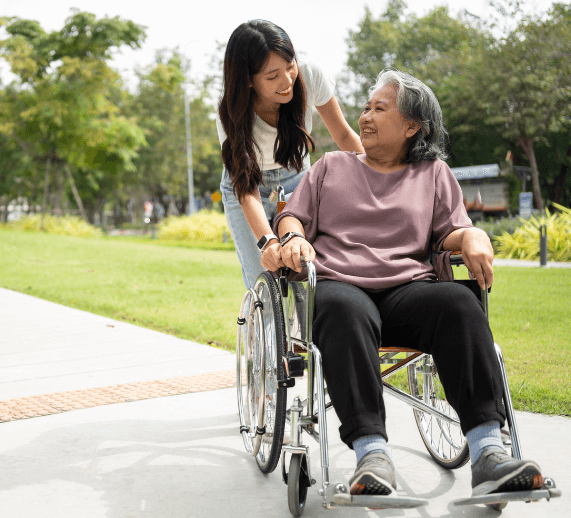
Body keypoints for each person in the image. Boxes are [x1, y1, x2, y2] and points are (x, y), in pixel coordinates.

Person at [272, 70, 545, 498]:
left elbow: (450, 230)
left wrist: (472, 234)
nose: (364, 116)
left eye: (379, 109)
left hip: (407, 293)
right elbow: (293, 215)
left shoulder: (433, 173)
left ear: (412, 125)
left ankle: (489, 453)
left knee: (458, 302)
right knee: (345, 309)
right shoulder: (331, 166)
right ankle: (372, 455)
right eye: (365, 107)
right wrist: (291, 236)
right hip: (342, 285)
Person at [217, 19, 364, 290]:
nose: (287, 82)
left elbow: (344, 136)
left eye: (290, 66)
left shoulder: (310, 78)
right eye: (272, 76)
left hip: (295, 184)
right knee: (264, 278)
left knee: (302, 267)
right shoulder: (231, 110)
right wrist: (268, 242)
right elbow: (245, 188)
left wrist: (378, 181)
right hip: (250, 190)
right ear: (248, 81)